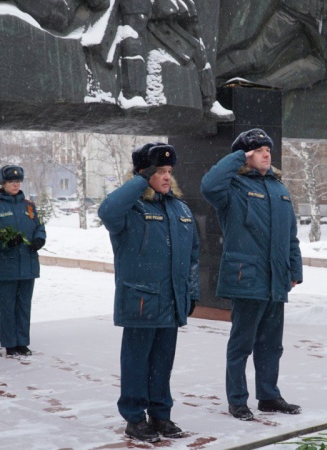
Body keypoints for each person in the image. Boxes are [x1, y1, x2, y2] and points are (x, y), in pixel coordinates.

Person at [98, 143, 200, 443]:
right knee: (136, 361)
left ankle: (160, 414)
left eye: (169, 171)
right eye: (159, 171)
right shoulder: (131, 209)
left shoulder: (180, 208)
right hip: (141, 300)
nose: (166, 177)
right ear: (144, 174)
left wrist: (191, 291)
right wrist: (142, 180)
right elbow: (107, 210)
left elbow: (193, 255)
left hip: (171, 300)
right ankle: (134, 418)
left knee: (162, 362)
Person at [200, 128, 303, 421]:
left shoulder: (279, 188)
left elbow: (291, 236)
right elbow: (208, 186)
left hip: (276, 279)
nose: (266, 153)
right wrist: (237, 157)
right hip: (246, 278)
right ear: (246, 156)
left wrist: (295, 269)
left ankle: (269, 396)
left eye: (267, 149)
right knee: (241, 344)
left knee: (272, 344)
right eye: (258, 150)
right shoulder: (232, 187)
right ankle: (237, 400)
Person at [0, 165, 45, 358]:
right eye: (11, 182)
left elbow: (39, 226)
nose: (15, 184)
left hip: (28, 263)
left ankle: (22, 342)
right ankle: (9, 343)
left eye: (17, 181)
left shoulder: (28, 206)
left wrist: (39, 239)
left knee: (24, 305)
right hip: (6, 264)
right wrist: (4, 242)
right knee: (7, 306)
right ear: (3, 184)